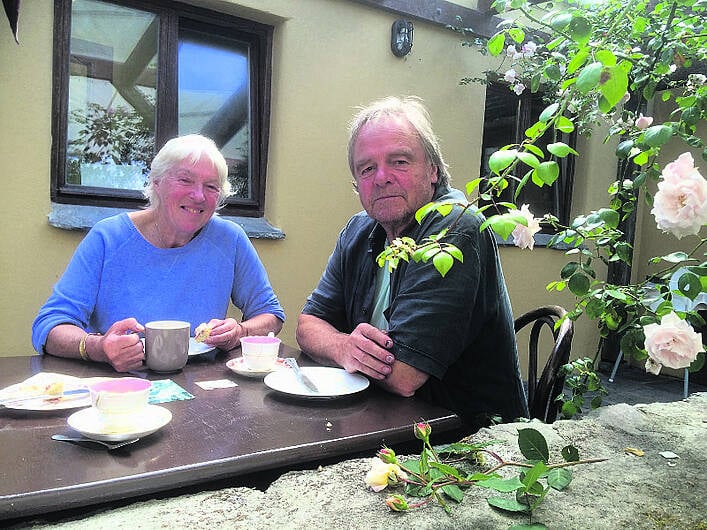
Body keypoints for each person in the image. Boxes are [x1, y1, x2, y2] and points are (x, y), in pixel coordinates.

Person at [296, 96, 528, 432]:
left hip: (467, 443)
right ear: (356, 184)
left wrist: (338, 347)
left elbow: (403, 375)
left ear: (433, 171)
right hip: (383, 425)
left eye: (400, 162)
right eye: (366, 168)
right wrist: (344, 346)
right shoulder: (359, 230)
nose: (381, 178)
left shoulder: (456, 227)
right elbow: (307, 324)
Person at [32, 134, 285, 372]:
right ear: (157, 182)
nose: (198, 196)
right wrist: (98, 348)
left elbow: (271, 315)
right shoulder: (108, 238)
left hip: (205, 385)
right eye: (185, 180)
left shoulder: (229, 239)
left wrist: (238, 332)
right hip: (122, 383)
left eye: (211, 186)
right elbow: (50, 327)